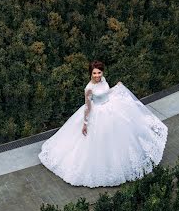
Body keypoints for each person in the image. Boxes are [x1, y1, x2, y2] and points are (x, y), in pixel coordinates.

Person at [38, 60, 168, 187]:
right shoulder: (88, 88)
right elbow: (88, 107)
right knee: (101, 141)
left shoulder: (103, 80)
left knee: (121, 135)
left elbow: (106, 92)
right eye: (94, 73)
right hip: (98, 113)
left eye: (99, 73)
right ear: (90, 74)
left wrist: (116, 88)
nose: (97, 76)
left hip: (112, 108)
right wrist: (85, 123)